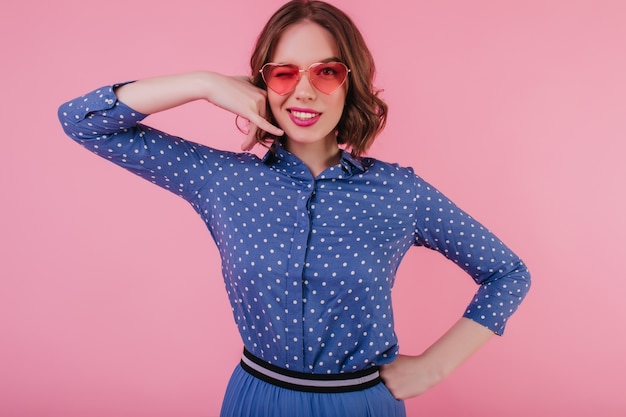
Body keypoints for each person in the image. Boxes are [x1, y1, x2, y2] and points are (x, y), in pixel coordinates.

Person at [57, 0, 531, 415]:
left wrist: (434, 367)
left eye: (327, 72)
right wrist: (201, 83)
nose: (303, 91)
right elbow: (82, 121)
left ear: (351, 85)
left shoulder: (397, 191)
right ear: (261, 83)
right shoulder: (224, 179)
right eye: (284, 73)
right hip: (256, 399)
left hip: (362, 405)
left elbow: (507, 273)